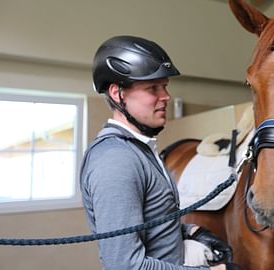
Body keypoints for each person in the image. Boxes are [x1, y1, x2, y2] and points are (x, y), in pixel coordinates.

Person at [80, 35, 241, 270]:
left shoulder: (139, 149)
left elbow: (151, 224)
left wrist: (193, 231)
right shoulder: (116, 161)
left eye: (164, 86)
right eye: (152, 88)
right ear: (118, 94)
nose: (165, 96)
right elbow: (125, 266)